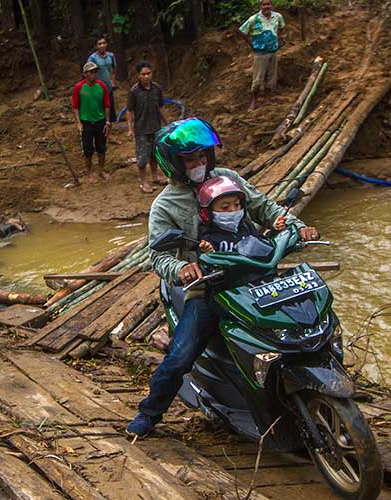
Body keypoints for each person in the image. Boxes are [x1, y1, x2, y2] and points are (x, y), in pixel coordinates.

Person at [126, 117, 320, 437]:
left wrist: (298, 227)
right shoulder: (165, 205)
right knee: (179, 356)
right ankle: (149, 413)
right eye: (190, 159)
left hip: (256, 275)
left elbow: (267, 209)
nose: (200, 163)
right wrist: (182, 269)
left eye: (203, 156)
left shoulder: (229, 179)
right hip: (209, 289)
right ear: (174, 163)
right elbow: (157, 256)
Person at [196, 175, 288, 254]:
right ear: (207, 213)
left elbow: (263, 245)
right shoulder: (207, 236)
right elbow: (208, 262)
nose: (233, 210)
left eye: (237, 205)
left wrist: (275, 229)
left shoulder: (246, 227)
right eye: (225, 207)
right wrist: (209, 252)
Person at [126, 61, 169, 194]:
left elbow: (161, 107)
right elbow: (129, 110)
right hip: (141, 129)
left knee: (155, 154)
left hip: (156, 127)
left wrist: (168, 123)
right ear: (138, 75)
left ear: (152, 73)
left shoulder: (157, 89)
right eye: (143, 74)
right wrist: (130, 129)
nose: (146, 76)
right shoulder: (134, 91)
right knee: (142, 157)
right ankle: (144, 182)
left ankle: (155, 177)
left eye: (148, 73)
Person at [239, 0, 286, 110]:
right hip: (260, 53)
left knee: (271, 77)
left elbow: (282, 27)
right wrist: (252, 44)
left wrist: (277, 38)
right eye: (264, 4)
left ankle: (268, 99)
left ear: (272, 5)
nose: (267, 7)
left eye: (268, 4)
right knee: (257, 79)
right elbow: (242, 31)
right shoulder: (254, 19)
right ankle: (254, 101)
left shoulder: (277, 17)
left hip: (273, 51)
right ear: (260, 6)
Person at [72, 61, 111, 183]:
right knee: (88, 149)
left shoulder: (102, 86)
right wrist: (78, 122)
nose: (94, 74)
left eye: (95, 72)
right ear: (85, 74)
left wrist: (108, 122)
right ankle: (89, 173)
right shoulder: (79, 87)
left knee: (101, 148)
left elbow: (106, 105)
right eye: (91, 72)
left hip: (100, 121)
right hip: (86, 123)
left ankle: (101, 170)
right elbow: (75, 106)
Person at [87, 37, 121, 144]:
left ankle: (108, 136)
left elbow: (114, 69)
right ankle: (96, 136)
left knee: (109, 113)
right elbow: (88, 73)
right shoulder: (92, 58)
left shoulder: (111, 56)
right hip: (97, 90)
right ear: (96, 46)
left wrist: (112, 81)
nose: (102, 45)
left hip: (108, 89)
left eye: (104, 43)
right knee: (97, 112)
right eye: (99, 44)